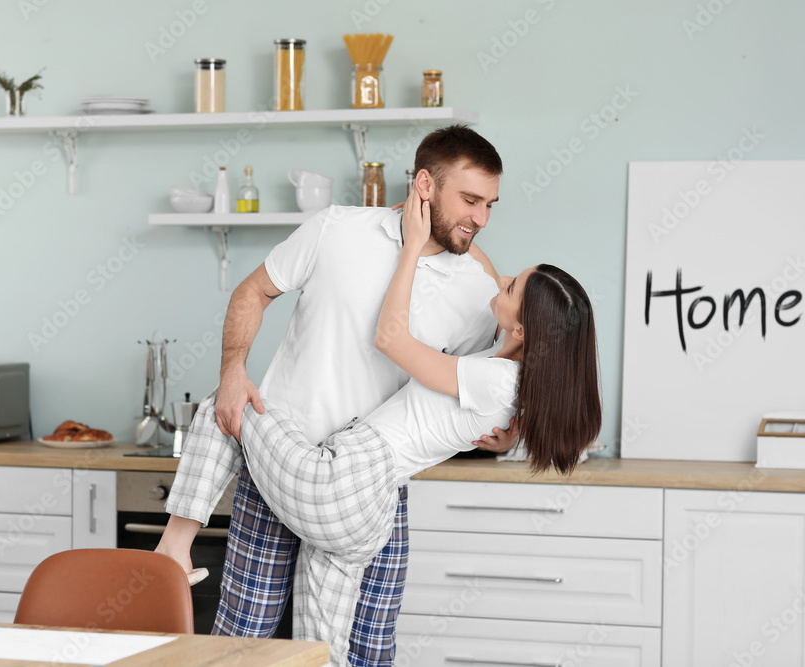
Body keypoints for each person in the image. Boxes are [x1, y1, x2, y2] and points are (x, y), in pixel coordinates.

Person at [155, 184, 602, 666]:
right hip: (369, 510)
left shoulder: (496, 378)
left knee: (227, 403)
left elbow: (391, 337)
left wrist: (412, 243)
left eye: (514, 287)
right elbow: (489, 285)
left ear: (521, 330)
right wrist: (436, 217)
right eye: (473, 201)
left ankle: (171, 552)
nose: (505, 278)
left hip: (341, 481)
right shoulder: (501, 371)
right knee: (320, 651)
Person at [200, 125, 517, 666]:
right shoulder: (336, 229)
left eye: (490, 204)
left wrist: (498, 437)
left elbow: (471, 397)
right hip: (277, 466)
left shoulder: (479, 295)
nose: (481, 218)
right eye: (469, 200)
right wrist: (233, 371)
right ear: (425, 184)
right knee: (242, 640)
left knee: (366, 650)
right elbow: (252, 290)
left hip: (370, 492)